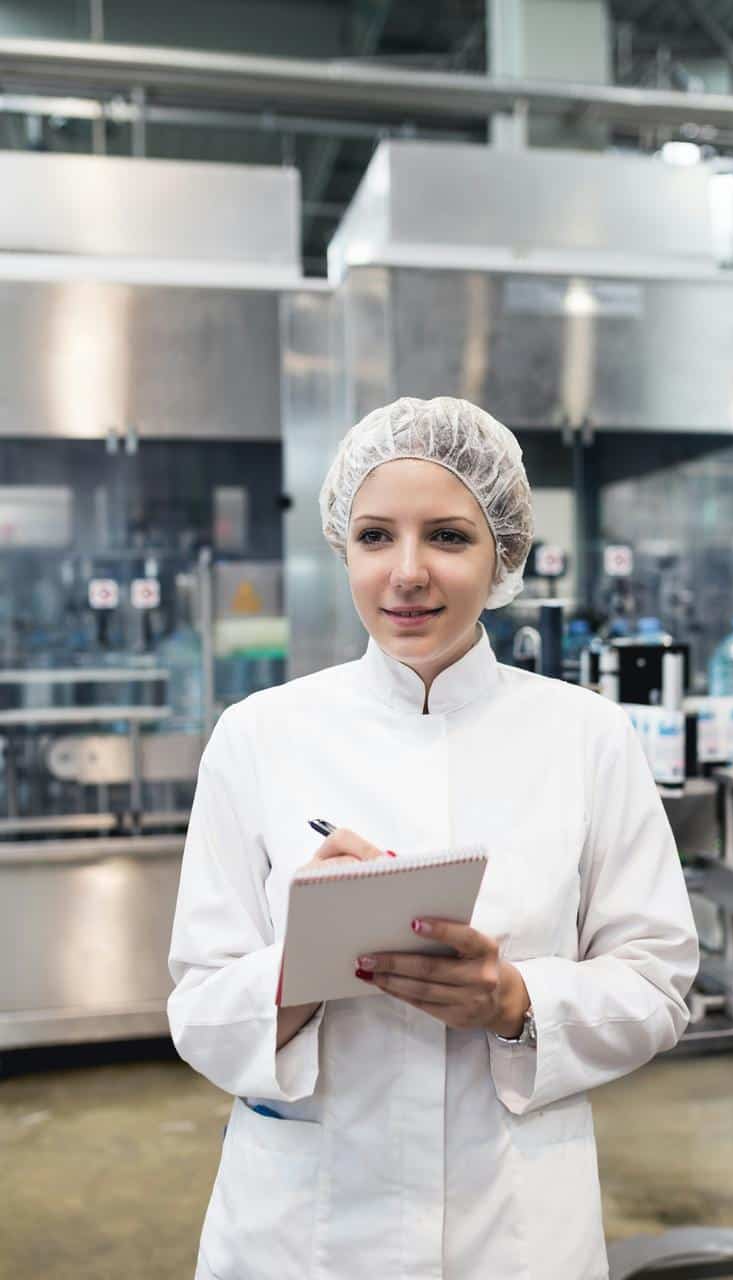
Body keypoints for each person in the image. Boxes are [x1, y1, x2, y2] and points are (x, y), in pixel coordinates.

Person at [167, 396, 699, 1280]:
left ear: (502, 553)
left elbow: (656, 980)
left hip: (515, 1229)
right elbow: (198, 1009)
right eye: (375, 536)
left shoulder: (585, 735)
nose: (406, 573)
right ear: (343, 546)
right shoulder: (259, 735)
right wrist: (303, 962)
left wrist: (518, 1003)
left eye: (448, 536)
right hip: (305, 1232)